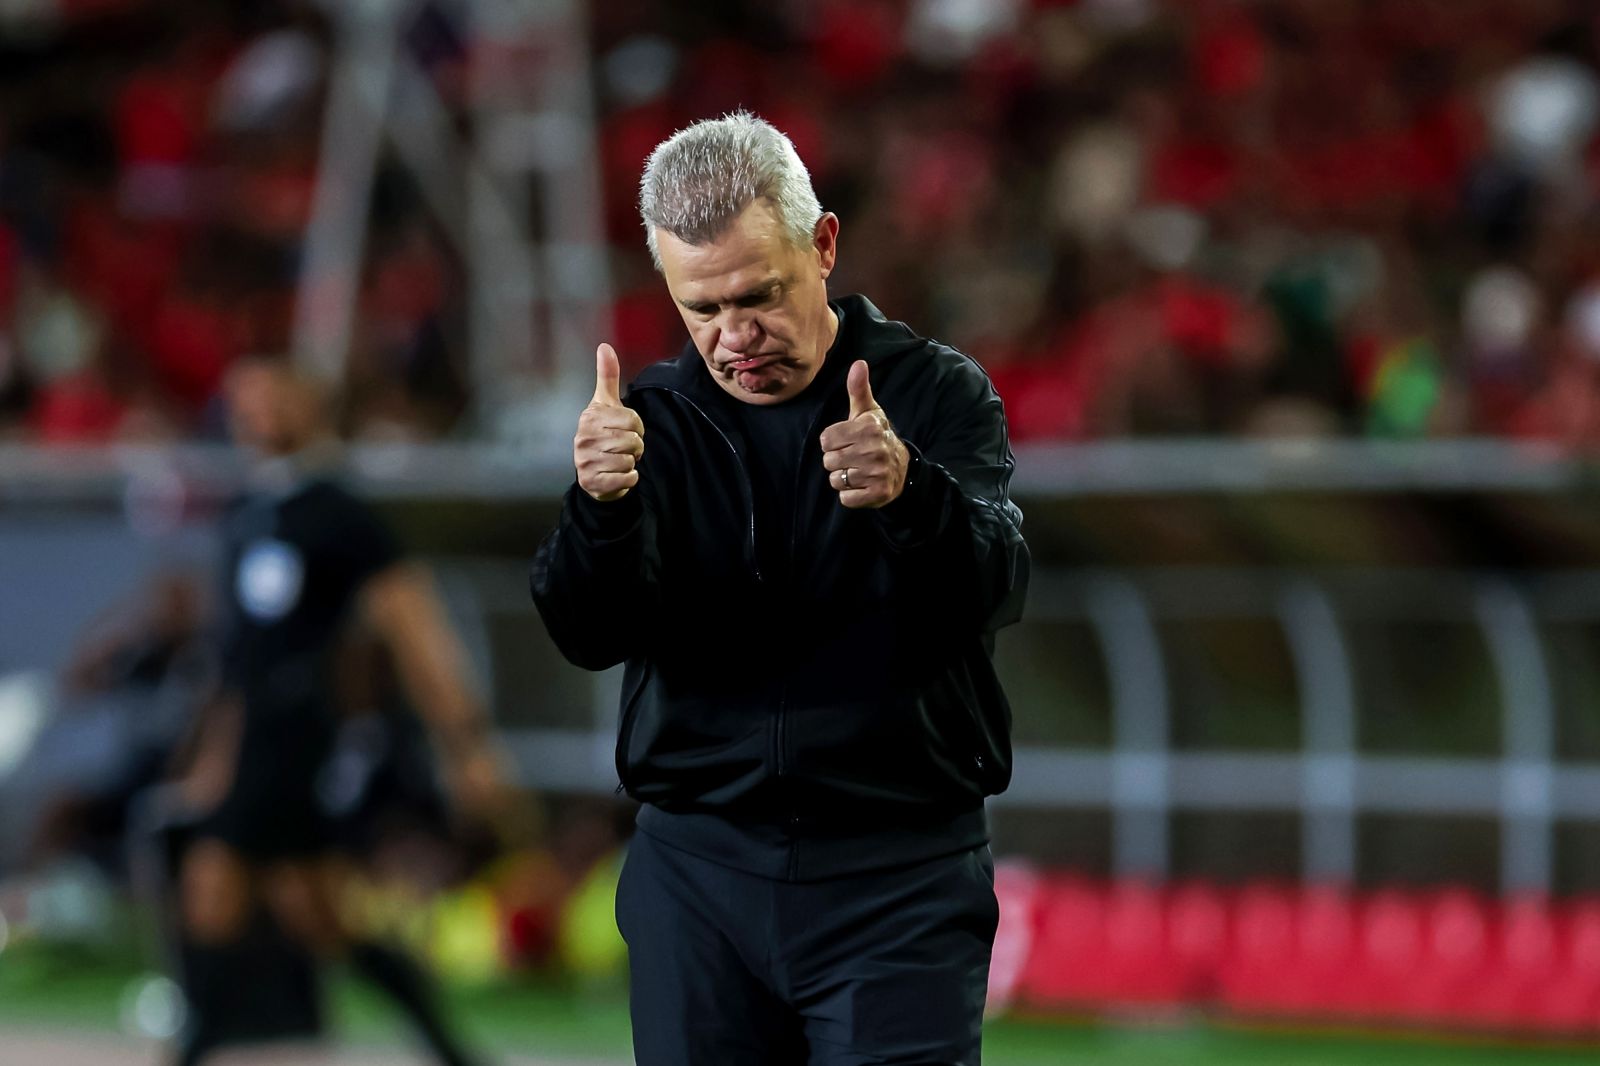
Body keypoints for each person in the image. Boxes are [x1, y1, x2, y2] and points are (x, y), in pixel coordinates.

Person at [531, 111, 1030, 1066]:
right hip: (697, 877)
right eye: (702, 309)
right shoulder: (650, 424)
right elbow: (588, 632)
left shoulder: (934, 396)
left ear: (824, 245)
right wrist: (599, 508)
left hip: (898, 876)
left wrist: (911, 495)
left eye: (759, 295)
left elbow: (995, 589)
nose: (736, 337)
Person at [169, 355, 506, 1066]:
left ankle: (192, 1049)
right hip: (254, 736)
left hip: (301, 738)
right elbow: (235, 660)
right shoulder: (245, 514)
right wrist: (213, 756)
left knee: (215, 889)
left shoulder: (341, 516)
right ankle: (450, 1049)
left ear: (310, 404)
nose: (255, 415)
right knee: (313, 912)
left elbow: (414, 630)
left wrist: (465, 744)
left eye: (271, 398)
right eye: (244, 402)